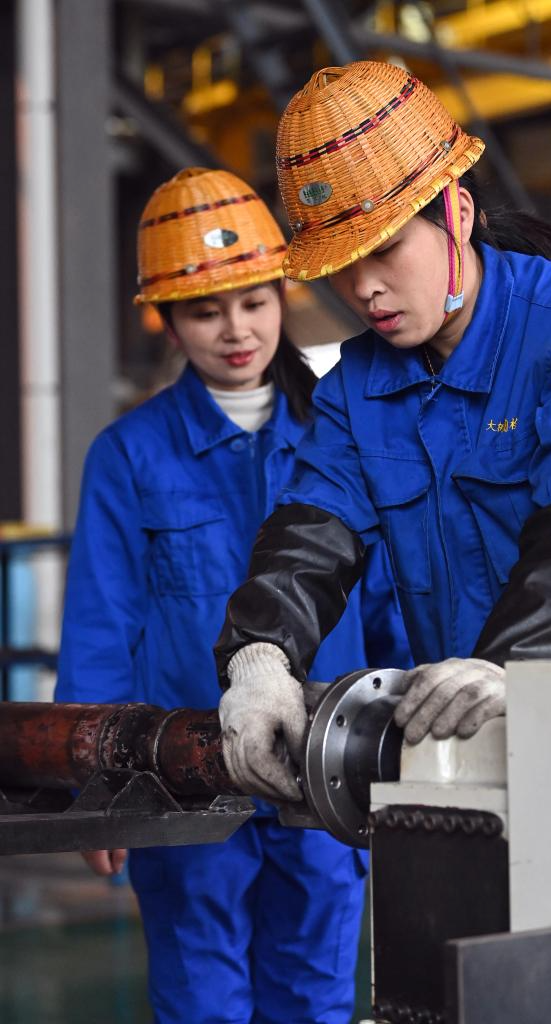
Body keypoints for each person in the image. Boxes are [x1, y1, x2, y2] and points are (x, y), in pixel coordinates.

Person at [215, 59, 551, 801]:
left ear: (457, 213)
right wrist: (261, 657)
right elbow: (312, 534)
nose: (363, 288)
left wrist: (512, 664)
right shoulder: (359, 385)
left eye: (384, 249)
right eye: (342, 264)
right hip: (467, 728)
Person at [55, 166, 410, 1024]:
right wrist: (91, 792)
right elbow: (101, 622)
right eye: (205, 311)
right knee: (200, 1000)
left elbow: (389, 605)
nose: (236, 330)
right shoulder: (129, 455)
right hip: (183, 783)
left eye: (253, 302)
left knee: (314, 995)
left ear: (282, 296)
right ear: (168, 320)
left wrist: (409, 749)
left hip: (325, 773)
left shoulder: (342, 435)